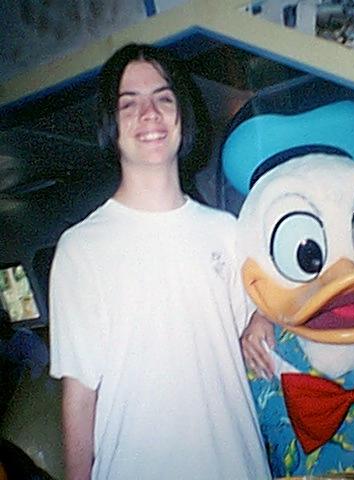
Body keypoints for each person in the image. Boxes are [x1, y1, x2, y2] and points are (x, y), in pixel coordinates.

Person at [48, 43, 271, 480]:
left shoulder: (226, 232)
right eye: (129, 104)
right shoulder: (81, 249)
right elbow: (79, 395)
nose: (149, 114)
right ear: (111, 125)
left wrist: (263, 316)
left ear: (181, 115)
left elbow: (267, 315)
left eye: (163, 99)